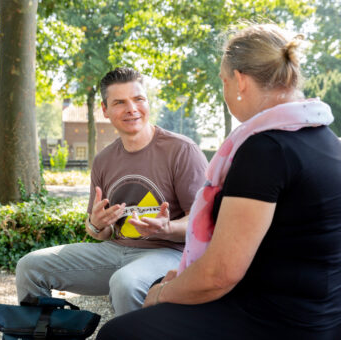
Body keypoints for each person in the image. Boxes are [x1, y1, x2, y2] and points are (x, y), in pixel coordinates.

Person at [97, 24, 341, 339]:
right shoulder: (326, 138)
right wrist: (181, 280)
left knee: (118, 333)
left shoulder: (266, 150)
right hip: (321, 312)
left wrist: (162, 294)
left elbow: (220, 275)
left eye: (223, 82)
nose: (225, 92)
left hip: (279, 320)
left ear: (239, 80)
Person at [16, 67, 207, 316]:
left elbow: (202, 222)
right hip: (114, 250)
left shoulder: (182, 151)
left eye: (138, 99)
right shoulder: (104, 160)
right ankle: (40, 331)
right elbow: (101, 232)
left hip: (169, 252)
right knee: (30, 266)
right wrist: (96, 224)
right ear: (105, 111)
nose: (132, 108)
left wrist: (167, 228)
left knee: (126, 282)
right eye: (120, 102)